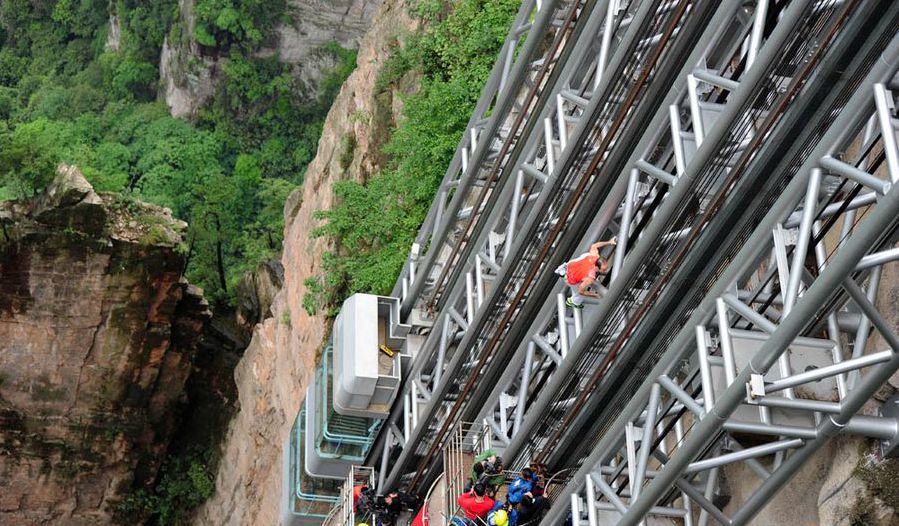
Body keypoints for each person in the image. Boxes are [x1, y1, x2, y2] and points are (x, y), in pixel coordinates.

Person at [557, 238, 617, 309]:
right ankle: (572, 303)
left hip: (566, 267)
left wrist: (609, 242)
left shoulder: (594, 255)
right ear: (597, 268)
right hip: (569, 277)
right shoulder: (590, 278)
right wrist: (594, 295)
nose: (605, 270)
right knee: (579, 296)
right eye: (603, 269)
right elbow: (581, 291)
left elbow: (594, 245)